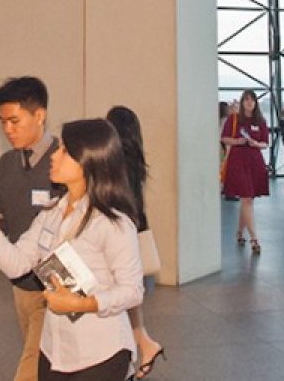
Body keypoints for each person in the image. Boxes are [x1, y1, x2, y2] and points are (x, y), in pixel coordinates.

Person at [0, 119, 144, 381]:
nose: (55, 155)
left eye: (64, 151)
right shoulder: (51, 213)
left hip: (101, 351)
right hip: (55, 348)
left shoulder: (113, 223)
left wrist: (82, 304)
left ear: (88, 160)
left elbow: (133, 290)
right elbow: (18, 263)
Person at [0, 77, 63, 381]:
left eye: (15, 121)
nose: (8, 129)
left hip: (57, 287)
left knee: (31, 362)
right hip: (20, 282)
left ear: (39, 115)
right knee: (45, 361)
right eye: (2, 122)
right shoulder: (6, 163)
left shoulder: (64, 161)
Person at [106, 106, 165, 380]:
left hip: (119, 237)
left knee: (121, 305)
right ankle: (143, 346)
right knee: (129, 305)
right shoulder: (136, 160)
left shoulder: (116, 162)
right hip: (134, 230)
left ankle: (133, 356)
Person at [219, 90, 270, 253]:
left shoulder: (260, 121)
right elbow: (224, 138)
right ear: (242, 102)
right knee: (246, 197)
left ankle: (240, 232)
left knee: (247, 199)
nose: (249, 103)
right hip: (238, 161)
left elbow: (265, 143)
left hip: (254, 161)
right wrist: (238, 141)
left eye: (252, 100)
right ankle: (254, 238)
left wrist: (256, 143)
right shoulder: (233, 119)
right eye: (246, 100)